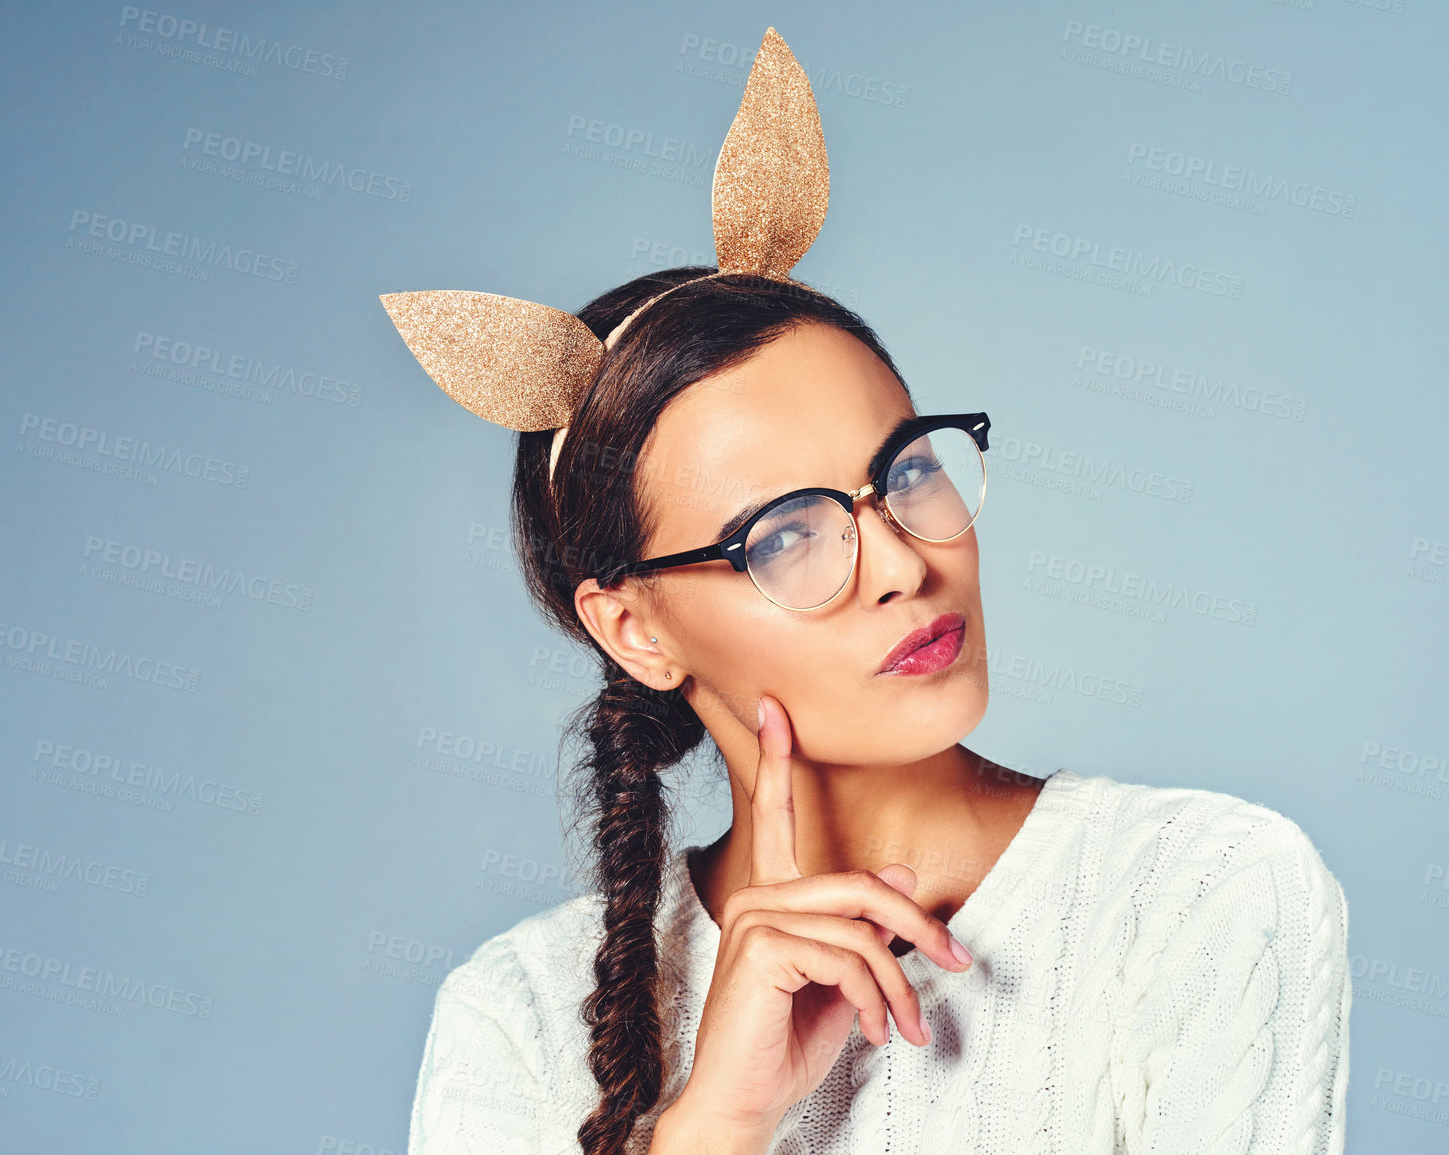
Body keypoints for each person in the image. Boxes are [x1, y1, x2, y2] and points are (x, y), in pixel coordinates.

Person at [387, 29, 1351, 1155]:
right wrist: (716, 1124)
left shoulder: (1200, 895)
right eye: (786, 535)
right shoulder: (517, 1019)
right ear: (635, 628)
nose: (903, 561)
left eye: (905, 473)